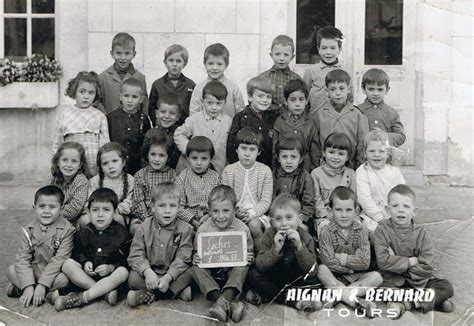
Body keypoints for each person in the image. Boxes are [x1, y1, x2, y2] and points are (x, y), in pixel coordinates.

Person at [374, 184, 455, 319]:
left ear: (414, 211)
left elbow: (427, 267)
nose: (401, 210)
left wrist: (397, 264)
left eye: (406, 206)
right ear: (387, 210)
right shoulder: (382, 230)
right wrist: (410, 261)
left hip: (419, 282)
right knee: (382, 289)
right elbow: (382, 262)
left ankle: (406, 305)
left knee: (446, 286)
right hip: (393, 281)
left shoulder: (422, 233)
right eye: (395, 206)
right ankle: (434, 302)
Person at [54, 189, 130, 311]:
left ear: (115, 212)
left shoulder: (121, 233)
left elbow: (126, 259)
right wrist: (85, 262)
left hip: (110, 278)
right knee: (67, 264)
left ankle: (84, 297)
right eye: (95, 210)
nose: (100, 214)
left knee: (123, 272)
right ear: (88, 212)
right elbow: (77, 252)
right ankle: (102, 292)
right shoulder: (84, 232)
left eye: (106, 210)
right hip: (87, 278)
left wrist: (111, 267)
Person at [246, 194, 320, 312]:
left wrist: (299, 246)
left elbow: (311, 270)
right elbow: (260, 265)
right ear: (272, 222)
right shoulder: (269, 235)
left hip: (296, 280)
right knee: (253, 275)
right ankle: (293, 300)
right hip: (276, 279)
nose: (284, 223)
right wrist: (275, 249)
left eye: (289, 217)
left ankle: (270, 295)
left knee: (316, 279)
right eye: (279, 219)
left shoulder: (306, 237)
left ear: (299, 219)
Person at [317, 187, 383, 317]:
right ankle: (355, 302)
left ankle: (338, 296)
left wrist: (340, 258)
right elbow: (328, 262)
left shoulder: (361, 231)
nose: (344, 215)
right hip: (334, 276)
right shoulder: (326, 231)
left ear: (356, 211)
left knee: (376, 277)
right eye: (338, 210)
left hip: (357, 278)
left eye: (348, 210)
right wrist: (349, 269)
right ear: (330, 211)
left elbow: (364, 263)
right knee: (322, 270)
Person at [191, 185, 254, 322]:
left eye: (226, 211)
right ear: (209, 211)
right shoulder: (204, 229)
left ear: (234, 210)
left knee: (243, 265)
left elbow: (249, 252)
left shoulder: (242, 229)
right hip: (212, 275)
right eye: (216, 211)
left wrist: (249, 257)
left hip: (233, 276)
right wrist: (196, 257)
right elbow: (198, 253)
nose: (220, 216)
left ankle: (222, 302)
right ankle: (227, 302)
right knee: (195, 268)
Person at [6, 185, 75, 307]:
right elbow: (23, 259)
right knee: (11, 269)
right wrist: (28, 285)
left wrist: (43, 284)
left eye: (52, 207)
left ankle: (30, 291)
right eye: (41, 206)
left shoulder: (68, 229)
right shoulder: (28, 229)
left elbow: (59, 259)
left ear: (61, 208)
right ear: (34, 208)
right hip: (34, 270)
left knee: (65, 279)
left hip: (53, 273)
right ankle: (31, 291)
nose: (46, 211)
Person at [127, 182, 194, 307]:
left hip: (173, 274)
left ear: (179, 207)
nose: (167, 211)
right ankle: (175, 293)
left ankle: (149, 295)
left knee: (192, 273)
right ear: (152, 206)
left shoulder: (186, 229)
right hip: (150, 274)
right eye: (162, 206)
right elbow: (135, 255)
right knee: (132, 278)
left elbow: (183, 258)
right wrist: (147, 272)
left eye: (172, 206)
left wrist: (168, 277)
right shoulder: (143, 228)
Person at [221, 127, 273, 245]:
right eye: (243, 148)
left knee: (254, 225)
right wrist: (236, 212)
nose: (247, 154)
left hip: (257, 214)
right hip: (234, 212)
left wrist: (251, 214)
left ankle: (259, 255)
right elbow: (226, 199)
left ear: (258, 152)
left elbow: (265, 201)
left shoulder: (265, 171)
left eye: (252, 149)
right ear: (236, 149)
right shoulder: (228, 171)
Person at [52, 71, 109, 176]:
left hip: (93, 167)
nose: (86, 96)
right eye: (82, 92)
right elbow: (58, 143)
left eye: (91, 93)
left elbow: (104, 146)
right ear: (74, 91)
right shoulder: (65, 115)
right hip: (71, 166)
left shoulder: (100, 116)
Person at [313, 69, 369, 169]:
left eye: (341, 88)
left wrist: (358, 166)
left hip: (350, 166)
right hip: (326, 166)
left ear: (348, 89)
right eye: (333, 89)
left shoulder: (357, 115)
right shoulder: (319, 114)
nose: (337, 93)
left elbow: (362, 143)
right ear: (327, 91)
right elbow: (315, 144)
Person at [174, 80, 232, 173]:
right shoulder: (194, 119)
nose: (214, 107)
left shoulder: (228, 121)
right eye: (209, 103)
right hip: (194, 166)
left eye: (218, 103)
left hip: (217, 168)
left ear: (224, 102)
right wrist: (188, 150)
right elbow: (179, 134)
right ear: (202, 101)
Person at [356, 129, 406, 232]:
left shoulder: (394, 171)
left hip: (393, 214)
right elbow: (365, 199)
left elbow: (403, 193)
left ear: (388, 153)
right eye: (372, 151)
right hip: (372, 216)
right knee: (377, 233)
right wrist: (380, 218)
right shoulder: (363, 171)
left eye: (381, 151)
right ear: (365, 153)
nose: (376, 155)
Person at [227, 76, 280, 167]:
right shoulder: (241, 117)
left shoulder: (274, 117)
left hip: (268, 167)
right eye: (260, 96)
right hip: (244, 167)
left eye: (268, 97)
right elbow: (232, 145)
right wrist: (236, 166)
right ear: (250, 97)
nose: (264, 100)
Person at [272, 79, 320, 171]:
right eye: (293, 100)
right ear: (286, 101)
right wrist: (275, 172)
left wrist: (314, 171)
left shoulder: (310, 122)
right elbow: (275, 150)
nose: (297, 104)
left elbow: (315, 151)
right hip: (284, 169)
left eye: (301, 99)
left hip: (305, 168)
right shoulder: (280, 121)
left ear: (306, 101)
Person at [311, 133, 355, 233]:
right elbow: (316, 201)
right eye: (331, 152)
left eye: (341, 154)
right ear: (324, 152)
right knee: (326, 231)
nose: (335, 157)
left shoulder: (351, 174)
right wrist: (328, 215)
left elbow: (354, 199)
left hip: (346, 215)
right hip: (325, 216)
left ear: (347, 157)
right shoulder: (316, 174)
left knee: (358, 229)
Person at [132, 135, 176, 234]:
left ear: (168, 157)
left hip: (167, 214)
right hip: (145, 215)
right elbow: (138, 201)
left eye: (161, 155)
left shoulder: (173, 174)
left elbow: (174, 198)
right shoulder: (140, 175)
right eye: (153, 154)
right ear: (147, 155)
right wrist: (146, 218)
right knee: (136, 228)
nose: (156, 159)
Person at [107, 78, 151, 175]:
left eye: (134, 97)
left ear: (141, 99)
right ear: (120, 97)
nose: (129, 100)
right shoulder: (111, 117)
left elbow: (145, 144)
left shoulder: (144, 119)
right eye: (126, 96)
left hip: (135, 166)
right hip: (115, 164)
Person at [189, 43, 245, 118]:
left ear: (226, 65)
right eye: (210, 63)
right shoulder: (199, 88)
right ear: (205, 64)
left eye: (219, 64)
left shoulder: (233, 88)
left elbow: (240, 112)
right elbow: (193, 113)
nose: (214, 67)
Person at [176, 137, 221, 229]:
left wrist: (209, 215)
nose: (199, 163)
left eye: (204, 158)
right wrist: (192, 220)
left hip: (210, 217)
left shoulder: (216, 177)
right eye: (194, 158)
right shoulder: (182, 178)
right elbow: (179, 206)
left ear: (210, 159)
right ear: (188, 158)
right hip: (188, 220)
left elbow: (219, 202)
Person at [273, 136, 315, 233]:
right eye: (284, 157)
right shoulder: (274, 176)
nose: (288, 161)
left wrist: (300, 219)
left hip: (298, 219)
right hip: (278, 217)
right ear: (278, 158)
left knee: (303, 229)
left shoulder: (305, 177)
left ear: (300, 159)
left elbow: (309, 203)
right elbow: (271, 198)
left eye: (293, 157)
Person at [99, 32, 148, 115]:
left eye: (127, 53)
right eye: (118, 53)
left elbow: (144, 105)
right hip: (110, 124)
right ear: (112, 54)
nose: (123, 58)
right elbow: (98, 103)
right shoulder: (103, 77)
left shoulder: (139, 77)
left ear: (134, 54)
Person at [88, 142, 135, 228]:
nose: (111, 166)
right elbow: (89, 200)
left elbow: (130, 202)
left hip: (120, 214)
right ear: (101, 167)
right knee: (85, 219)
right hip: (99, 213)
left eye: (114, 161)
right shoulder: (95, 181)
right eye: (105, 163)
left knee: (117, 219)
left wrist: (114, 210)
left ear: (123, 162)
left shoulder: (130, 180)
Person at [357, 68, 406, 147]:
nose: (375, 93)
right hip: (362, 156)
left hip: (384, 156)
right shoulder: (357, 111)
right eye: (371, 89)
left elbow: (401, 136)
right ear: (363, 89)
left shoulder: (392, 113)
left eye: (380, 89)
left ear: (387, 90)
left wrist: (385, 136)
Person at [148, 44, 196, 125]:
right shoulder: (157, 85)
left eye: (178, 61)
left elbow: (193, 108)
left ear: (184, 64)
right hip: (163, 127)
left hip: (184, 128)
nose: (174, 64)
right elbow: (151, 108)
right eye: (171, 60)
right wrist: (157, 122)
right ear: (165, 62)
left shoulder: (190, 85)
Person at [303, 26, 346, 113]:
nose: (328, 52)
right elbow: (304, 96)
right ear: (318, 49)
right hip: (315, 121)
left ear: (340, 49)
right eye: (324, 48)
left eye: (333, 48)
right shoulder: (311, 71)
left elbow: (349, 99)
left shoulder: (345, 72)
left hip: (337, 121)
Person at [50, 142, 90, 225]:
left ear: (80, 165)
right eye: (64, 160)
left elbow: (74, 208)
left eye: (74, 161)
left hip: (74, 219)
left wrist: (52, 214)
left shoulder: (81, 181)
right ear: (58, 162)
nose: (69, 165)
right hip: (56, 216)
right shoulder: (54, 179)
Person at [259, 35, 302, 108]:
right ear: (271, 55)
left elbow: (300, 101)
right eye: (277, 54)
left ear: (292, 57)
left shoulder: (296, 79)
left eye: (286, 55)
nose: (281, 58)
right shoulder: (263, 78)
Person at [144, 93, 182, 169]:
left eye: (172, 113)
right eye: (163, 112)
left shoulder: (180, 133)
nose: (167, 116)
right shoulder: (150, 133)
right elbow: (144, 157)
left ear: (178, 117)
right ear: (157, 114)